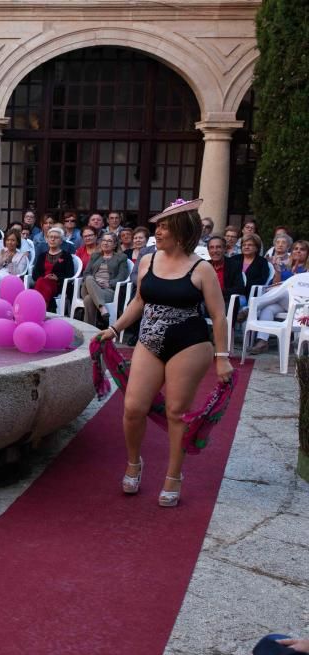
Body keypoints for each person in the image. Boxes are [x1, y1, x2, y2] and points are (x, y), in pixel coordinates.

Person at [98, 198, 233, 508]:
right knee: (133, 407)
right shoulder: (147, 261)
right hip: (149, 340)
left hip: (190, 344)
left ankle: (174, 475)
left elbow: (219, 315)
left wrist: (222, 357)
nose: (157, 231)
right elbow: (139, 302)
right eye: (158, 226)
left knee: (175, 411)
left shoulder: (201, 269)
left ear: (181, 231)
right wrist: (115, 328)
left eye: (164, 226)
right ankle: (134, 462)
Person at [247, 239, 309, 354]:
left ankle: (252, 308)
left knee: (285, 290)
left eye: (302, 249)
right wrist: (278, 273)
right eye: (296, 249)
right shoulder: (285, 267)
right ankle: (262, 342)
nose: (298, 251)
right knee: (268, 308)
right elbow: (274, 285)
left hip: (301, 305)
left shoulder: (307, 269)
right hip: (284, 302)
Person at [81, 231, 129, 326]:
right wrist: (95, 282)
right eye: (104, 240)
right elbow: (86, 273)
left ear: (115, 245)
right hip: (89, 287)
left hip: (108, 290)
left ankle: (89, 330)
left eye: (109, 241)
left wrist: (109, 284)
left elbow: (122, 276)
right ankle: (102, 307)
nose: (105, 243)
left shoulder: (121, 257)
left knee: (88, 299)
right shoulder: (95, 256)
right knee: (89, 278)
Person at [225, 234, 270, 320]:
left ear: (257, 248)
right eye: (244, 245)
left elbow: (262, 280)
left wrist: (244, 284)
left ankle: (243, 313)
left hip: (250, 293)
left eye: (250, 245)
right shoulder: (234, 259)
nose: (246, 247)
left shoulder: (262, 262)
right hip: (233, 291)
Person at [31, 227, 75, 311]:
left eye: (56, 237)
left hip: (58, 285)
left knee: (40, 283)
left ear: (61, 241)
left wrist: (58, 278)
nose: (52, 239)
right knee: (41, 281)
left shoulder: (66, 256)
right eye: (50, 237)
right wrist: (45, 277)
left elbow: (70, 274)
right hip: (42, 283)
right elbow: (35, 274)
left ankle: (37, 310)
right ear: (47, 240)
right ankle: (45, 309)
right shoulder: (42, 255)